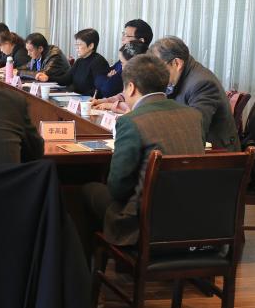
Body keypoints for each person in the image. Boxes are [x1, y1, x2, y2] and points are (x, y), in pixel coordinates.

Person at [76, 54, 206, 257]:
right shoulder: (194, 116)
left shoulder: (131, 121)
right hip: (191, 218)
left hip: (143, 222)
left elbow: (118, 187)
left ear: (130, 88)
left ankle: (88, 264)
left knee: (88, 190)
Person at [150, 36, 240, 151]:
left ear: (177, 63)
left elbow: (195, 129)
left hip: (218, 153)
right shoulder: (182, 75)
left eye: (159, 68)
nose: (156, 74)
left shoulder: (202, 84)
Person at [96, 19, 155, 98]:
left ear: (140, 40)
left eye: (126, 35)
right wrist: (108, 78)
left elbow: (108, 90)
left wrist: (108, 78)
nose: (122, 38)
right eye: (123, 34)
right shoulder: (125, 56)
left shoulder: (136, 64)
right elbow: (98, 77)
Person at [90, 41, 149, 113]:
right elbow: (124, 95)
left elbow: (137, 106)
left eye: (122, 63)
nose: (121, 66)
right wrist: (102, 101)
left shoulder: (146, 80)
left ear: (134, 63)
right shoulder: (131, 76)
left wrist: (111, 106)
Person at [54, 28, 110, 96]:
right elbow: (66, 79)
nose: (77, 48)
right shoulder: (79, 61)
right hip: (76, 98)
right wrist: (48, 78)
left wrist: (79, 97)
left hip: (87, 100)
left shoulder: (99, 62)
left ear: (91, 46)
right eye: (76, 45)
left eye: (79, 44)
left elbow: (98, 89)